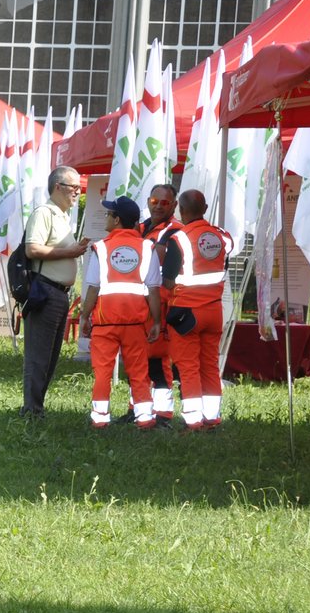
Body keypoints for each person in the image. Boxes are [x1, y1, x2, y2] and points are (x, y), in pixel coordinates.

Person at [79, 196, 161, 429]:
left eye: (109, 214)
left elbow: (93, 287)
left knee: (103, 372)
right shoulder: (147, 247)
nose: (106, 217)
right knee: (139, 372)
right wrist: (156, 321)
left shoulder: (102, 248)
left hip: (105, 322)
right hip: (135, 323)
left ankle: (100, 419)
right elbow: (153, 289)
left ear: (117, 220)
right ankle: (145, 420)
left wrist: (85, 316)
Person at [19, 165, 89, 419]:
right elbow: (32, 249)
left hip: (58, 293)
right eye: (74, 188)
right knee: (38, 355)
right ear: (57, 187)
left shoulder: (61, 216)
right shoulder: (45, 213)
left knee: (50, 355)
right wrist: (69, 252)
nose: (77, 193)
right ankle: (31, 410)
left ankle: (36, 407)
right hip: (45, 291)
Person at [162, 189, 235, 430]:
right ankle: (212, 417)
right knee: (210, 365)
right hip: (214, 311)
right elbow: (222, 265)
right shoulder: (223, 237)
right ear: (204, 209)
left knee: (189, 367)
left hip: (186, 313)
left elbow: (168, 280)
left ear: (180, 211)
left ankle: (193, 421)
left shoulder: (179, 239)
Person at [136, 184, 182, 423]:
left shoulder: (177, 232)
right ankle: (138, 410)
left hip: (161, 306)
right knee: (137, 360)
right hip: (136, 305)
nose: (158, 206)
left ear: (174, 205)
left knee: (157, 359)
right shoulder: (139, 228)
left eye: (164, 203)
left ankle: (163, 413)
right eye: (154, 201)